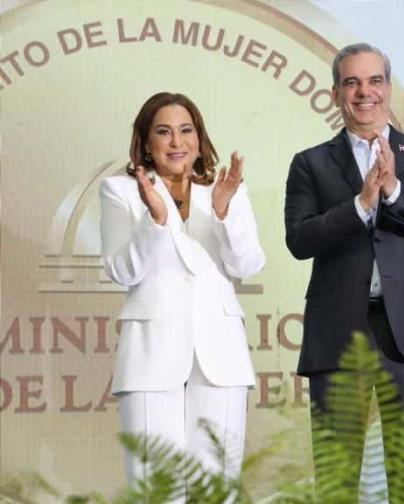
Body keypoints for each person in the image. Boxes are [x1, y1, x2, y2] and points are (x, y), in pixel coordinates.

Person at [284, 43, 404, 496]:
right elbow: (299, 240)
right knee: (337, 479)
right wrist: (361, 205)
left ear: (389, 87)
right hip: (338, 331)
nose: (365, 92)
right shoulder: (310, 163)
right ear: (336, 93)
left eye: (374, 80)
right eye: (352, 82)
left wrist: (395, 190)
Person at [100, 92, 265, 496]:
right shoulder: (120, 190)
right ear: (145, 142)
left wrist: (224, 213)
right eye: (164, 132)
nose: (177, 142)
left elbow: (247, 266)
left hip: (220, 358)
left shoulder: (226, 190)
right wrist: (155, 222)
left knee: (217, 488)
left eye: (186, 130)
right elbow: (122, 271)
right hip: (150, 354)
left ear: (199, 138)